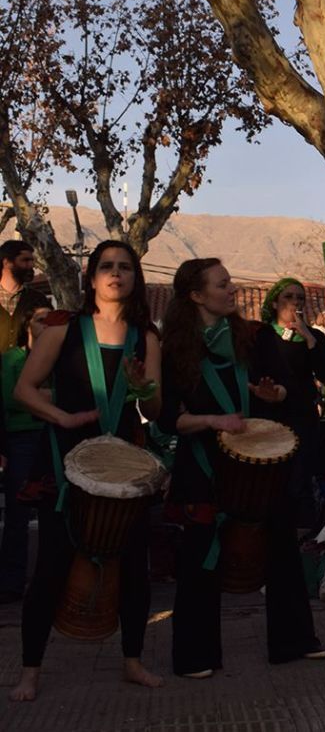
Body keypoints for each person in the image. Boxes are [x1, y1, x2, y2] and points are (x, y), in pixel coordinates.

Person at [9, 241, 164, 701]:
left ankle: (132, 660)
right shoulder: (63, 329)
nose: (116, 273)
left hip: (124, 467)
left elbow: (154, 410)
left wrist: (144, 388)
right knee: (51, 568)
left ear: (135, 278)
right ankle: (30, 670)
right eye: (106, 267)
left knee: (134, 568)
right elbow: (25, 389)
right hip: (65, 463)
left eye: (125, 267)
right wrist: (63, 418)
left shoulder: (146, 336)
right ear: (91, 278)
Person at [160, 258, 325, 678]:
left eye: (230, 283)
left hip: (259, 462)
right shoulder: (176, 351)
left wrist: (273, 395)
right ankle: (195, 656)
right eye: (222, 285)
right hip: (204, 464)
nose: (232, 290)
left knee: (282, 549)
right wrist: (212, 421)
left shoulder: (252, 338)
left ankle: (294, 641)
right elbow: (167, 419)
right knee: (200, 559)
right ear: (196, 295)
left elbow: (285, 390)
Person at [261, 278, 325, 529]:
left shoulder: (314, 337)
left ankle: (302, 535)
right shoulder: (262, 336)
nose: (295, 302)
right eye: (288, 297)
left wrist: (309, 339)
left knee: (300, 480)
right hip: (270, 416)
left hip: (303, 418)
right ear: (274, 303)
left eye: (300, 298)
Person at [0, 296, 52, 604]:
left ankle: (49, 581)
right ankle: (11, 581)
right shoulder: (11, 360)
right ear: (27, 325)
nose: (46, 326)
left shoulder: (58, 359)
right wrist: (43, 397)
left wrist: (34, 395)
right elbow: (12, 398)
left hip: (51, 434)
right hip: (21, 439)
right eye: (40, 320)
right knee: (18, 510)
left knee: (53, 510)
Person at [0, 240, 49, 354]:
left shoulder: (38, 300)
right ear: (7, 263)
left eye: (32, 261)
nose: (31, 265)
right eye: (25, 260)